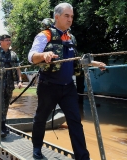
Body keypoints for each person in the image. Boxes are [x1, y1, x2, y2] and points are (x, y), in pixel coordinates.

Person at [28, 3, 106, 159]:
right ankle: (37, 148)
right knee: (41, 118)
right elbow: (31, 57)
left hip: (68, 87)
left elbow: (77, 58)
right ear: (57, 17)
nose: (70, 19)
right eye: (67, 16)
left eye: (72, 16)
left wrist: (93, 63)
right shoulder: (45, 35)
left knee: (75, 121)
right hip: (48, 86)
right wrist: (44, 55)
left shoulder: (71, 37)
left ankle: (82, 157)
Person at [0, 34, 23, 138]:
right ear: (1, 42)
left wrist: (20, 80)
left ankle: (3, 124)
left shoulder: (13, 55)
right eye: (6, 40)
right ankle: (1, 126)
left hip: (9, 85)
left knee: (6, 105)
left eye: (9, 40)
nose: (9, 42)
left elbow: (18, 68)